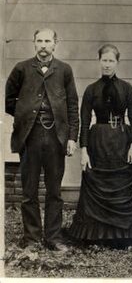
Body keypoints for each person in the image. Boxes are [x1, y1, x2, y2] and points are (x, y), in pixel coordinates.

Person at [68, 44, 132, 247]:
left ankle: (123, 235)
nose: (107, 65)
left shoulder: (127, 88)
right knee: (96, 181)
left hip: (121, 142)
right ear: (99, 61)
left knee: (122, 182)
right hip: (98, 142)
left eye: (111, 61)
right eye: (104, 60)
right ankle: (96, 234)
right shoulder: (91, 90)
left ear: (117, 62)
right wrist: (84, 150)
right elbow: (85, 121)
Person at [5, 28, 79, 252]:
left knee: (54, 190)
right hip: (30, 136)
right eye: (40, 41)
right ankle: (32, 239)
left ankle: (54, 237)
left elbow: (73, 107)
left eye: (48, 41)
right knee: (29, 191)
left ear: (56, 43)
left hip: (57, 138)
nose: (44, 45)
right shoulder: (22, 68)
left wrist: (71, 138)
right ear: (34, 43)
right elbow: (9, 99)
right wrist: (25, 114)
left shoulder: (64, 70)